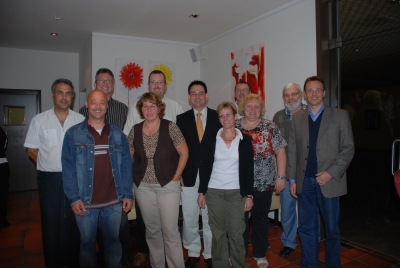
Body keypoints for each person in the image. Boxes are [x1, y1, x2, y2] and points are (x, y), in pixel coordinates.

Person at [287, 76, 354, 268]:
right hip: (304, 182)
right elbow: (292, 150)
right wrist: (292, 179)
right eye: (310, 90)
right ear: (305, 95)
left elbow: (348, 148)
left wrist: (330, 173)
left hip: (329, 181)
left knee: (332, 229)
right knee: (307, 228)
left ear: (324, 93)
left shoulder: (340, 115)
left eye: (318, 90)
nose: (314, 93)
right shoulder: (297, 118)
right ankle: (310, 264)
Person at [62, 90, 134, 268]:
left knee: (113, 243)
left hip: (113, 201)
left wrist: (127, 194)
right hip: (85, 203)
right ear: (87, 104)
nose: (97, 106)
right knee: (86, 245)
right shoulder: (73, 134)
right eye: (93, 102)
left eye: (102, 102)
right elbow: (68, 169)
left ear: (107, 106)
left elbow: (126, 166)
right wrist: (74, 198)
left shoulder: (117, 134)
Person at [123, 70, 184, 266]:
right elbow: (129, 157)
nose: (149, 110)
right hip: (144, 188)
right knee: (152, 231)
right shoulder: (135, 130)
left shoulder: (170, 127)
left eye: (152, 106)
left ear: (159, 108)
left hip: (167, 185)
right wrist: (130, 182)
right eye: (145, 106)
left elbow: (185, 152)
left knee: (170, 231)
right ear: (141, 109)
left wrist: (177, 175)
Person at [24, 78, 83, 267]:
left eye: (68, 93)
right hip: (49, 179)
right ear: (53, 95)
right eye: (60, 92)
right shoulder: (39, 120)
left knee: (73, 222)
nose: (64, 97)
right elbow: (31, 149)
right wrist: (45, 162)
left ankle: (72, 262)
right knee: (51, 223)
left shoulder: (80, 120)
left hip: (74, 178)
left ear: (72, 97)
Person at [79, 67, 131, 267]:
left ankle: (121, 259)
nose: (105, 84)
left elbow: (126, 143)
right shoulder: (83, 112)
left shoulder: (122, 109)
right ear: (95, 84)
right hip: (91, 178)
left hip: (115, 177)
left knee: (118, 226)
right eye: (101, 81)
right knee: (91, 231)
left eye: (109, 81)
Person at [198, 101, 254, 267]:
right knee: (218, 233)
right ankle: (220, 264)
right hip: (214, 192)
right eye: (221, 116)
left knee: (237, 233)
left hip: (237, 193)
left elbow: (248, 171)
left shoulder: (245, 141)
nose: (225, 118)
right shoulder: (211, 140)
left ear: (235, 116)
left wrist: (249, 195)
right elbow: (205, 167)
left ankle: (238, 264)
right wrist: (202, 192)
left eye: (228, 114)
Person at [236, 93, 287, 268]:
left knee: (260, 220)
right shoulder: (234, 127)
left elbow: (281, 152)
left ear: (261, 109)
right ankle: (239, 255)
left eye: (256, 106)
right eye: (249, 106)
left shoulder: (270, 126)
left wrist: (281, 176)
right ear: (243, 108)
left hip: (265, 182)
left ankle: (259, 254)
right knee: (239, 221)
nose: (253, 110)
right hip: (239, 183)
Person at [176, 80, 221, 268]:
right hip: (189, 176)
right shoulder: (181, 119)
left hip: (212, 177)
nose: (197, 96)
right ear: (189, 97)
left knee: (210, 217)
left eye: (200, 93)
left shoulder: (218, 117)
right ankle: (193, 252)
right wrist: (177, 174)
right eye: (193, 93)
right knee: (189, 217)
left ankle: (210, 253)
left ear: (207, 95)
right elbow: (176, 149)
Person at [272, 82, 306, 258]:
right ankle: (289, 242)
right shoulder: (278, 117)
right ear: (283, 97)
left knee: (308, 210)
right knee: (287, 211)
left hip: (307, 172)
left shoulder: (311, 114)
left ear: (301, 94)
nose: (291, 98)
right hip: (285, 172)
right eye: (287, 95)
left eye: (294, 94)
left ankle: (309, 242)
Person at [0, 126, 10, 229]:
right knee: (3, 194)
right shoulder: (2, 131)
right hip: (2, 164)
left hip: (2, 163)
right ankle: (3, 220)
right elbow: (4, 146)